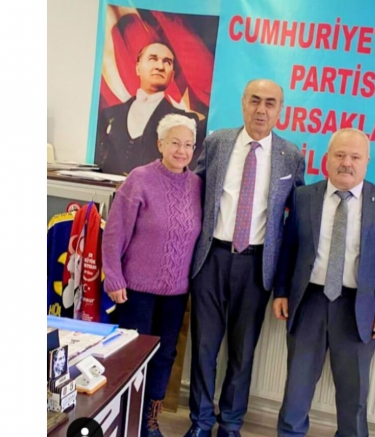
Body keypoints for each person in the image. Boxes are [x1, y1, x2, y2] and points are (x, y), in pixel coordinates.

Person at [185, 79, 305, 437]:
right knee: (203, 347)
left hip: (256, 266)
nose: (261, 110)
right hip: (211, 259)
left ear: (280, 110)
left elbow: (297, 219)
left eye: (270, 103)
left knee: (242, 352)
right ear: (243, 103)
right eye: (255, 100)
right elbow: (192, 192)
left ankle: (230, 425)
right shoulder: (218, 142)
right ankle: (200, 423)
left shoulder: (290, 156)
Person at [273, 128, 375, 437]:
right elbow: (288, 247)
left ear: (367, 161)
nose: (347, 162)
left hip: (359, 309)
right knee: (296, 389)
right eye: (340, 155)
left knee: (353, 394)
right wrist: (281, 291)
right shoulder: (304, 197)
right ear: (327, 158)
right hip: (309, 302)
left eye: (355, 157)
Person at [101, 114, 202, 437]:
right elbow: (115, 232)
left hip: (176, 293)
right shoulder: (140, 179)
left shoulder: (197, 185)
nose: (181, 150)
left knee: (164, 356)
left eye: (188, 145)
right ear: (160, 144)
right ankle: (122, 417)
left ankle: (148, 421)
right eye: (175, 143)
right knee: (131, 355)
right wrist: (113, 276)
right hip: (136, 290)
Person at [95, 42, 204, 176]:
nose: (160, 67)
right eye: (153, 59)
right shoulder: (110, 115)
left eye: (167, 62)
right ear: (138, 68)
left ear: (172, 75)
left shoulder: (184, 122)